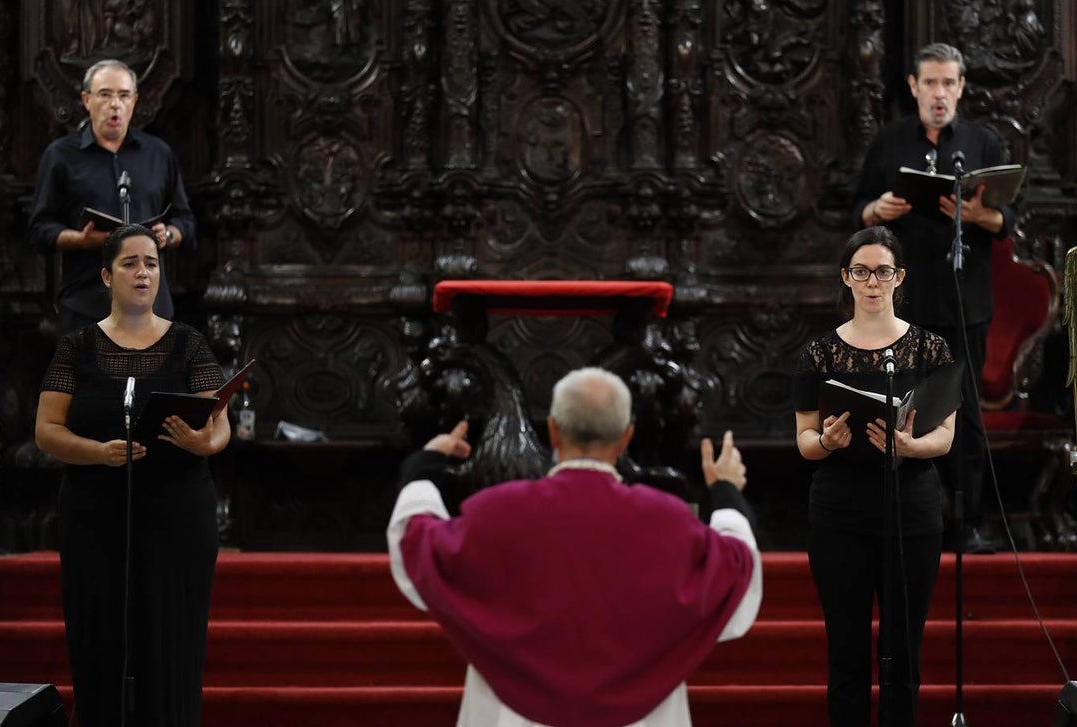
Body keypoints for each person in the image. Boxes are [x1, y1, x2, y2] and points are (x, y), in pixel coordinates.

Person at [388, 367, 761, 727]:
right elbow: (734, 571)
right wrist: (726, 492)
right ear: (626, 437)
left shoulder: (498, 512)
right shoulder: (668, 521)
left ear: (552, 430)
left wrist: (423, 466)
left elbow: (419, 543)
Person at [34, 224, 229, 727]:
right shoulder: (76, 346)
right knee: (100, 637)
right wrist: (98, 453)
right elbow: (47, 431)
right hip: (96, 513)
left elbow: (218, 422)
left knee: (173, 642)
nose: (143, 273)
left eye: (151, 264)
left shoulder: (189, 343)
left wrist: (204, 443)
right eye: (130, 263)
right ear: (106, 275)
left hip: (177, 514)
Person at [853, 42, 1016, 553]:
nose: (940, 94)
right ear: (914, 87)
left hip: (964, 304)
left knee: (962, 415)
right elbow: (857, 209)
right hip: (899, 304)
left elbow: (1007, 220)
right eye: (931, 84)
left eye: (949, 84)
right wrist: (877, 208)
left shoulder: (984, 143)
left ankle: (966, 523)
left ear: (962, 88)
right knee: (897, 409)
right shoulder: (890, 140)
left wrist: (977, 215)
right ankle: (901, 517)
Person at [793, 227, 957, 727]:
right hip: (840, 510)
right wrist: (826, 442)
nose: (871, 282)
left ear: (898, 278)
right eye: (860, 271)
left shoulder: (930, 348)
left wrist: (910, 446)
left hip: (911, 508)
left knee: (903, 652)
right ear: (846, 278)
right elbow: (803, 439)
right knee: (846, 652)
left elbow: (946, 434)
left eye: (882, 271)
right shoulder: (819, 354)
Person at [28, 58, 196, 336]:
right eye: (105, 94)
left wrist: (169, 234)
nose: (114, 104)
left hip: (151, 309)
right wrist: (81, 240)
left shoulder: (158, 154)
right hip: (86, 305)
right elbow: (39, 230)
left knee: (155, 381)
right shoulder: (60, 156)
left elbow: (186, 220)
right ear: (86, 99)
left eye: (123, 95)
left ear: (134, 101)